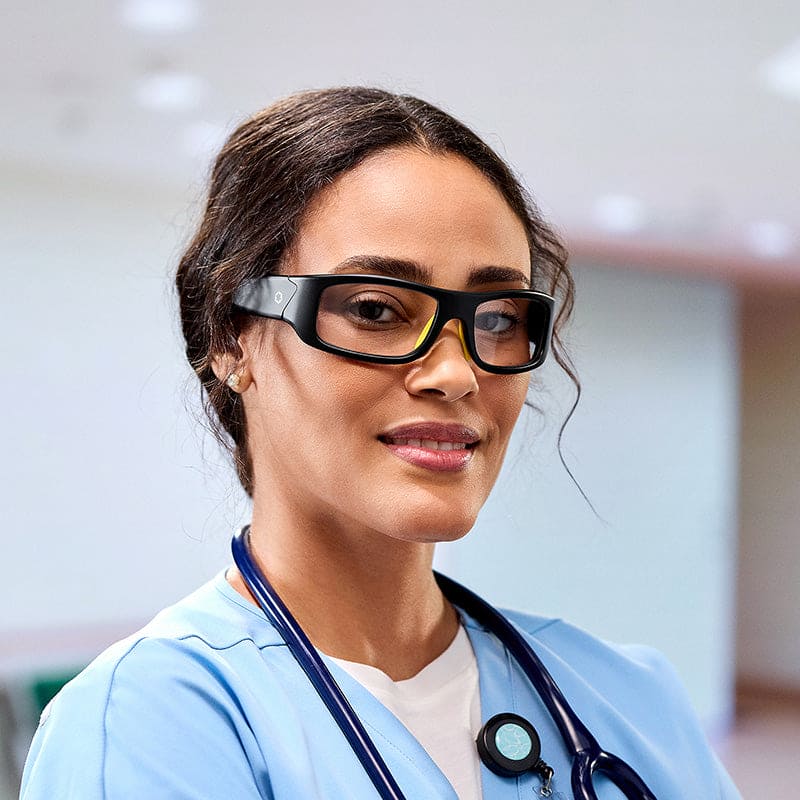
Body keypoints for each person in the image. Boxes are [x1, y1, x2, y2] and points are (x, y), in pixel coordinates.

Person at [20, 86, 740, 799]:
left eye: (495, 319)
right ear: (230, 338)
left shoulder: (626, 697)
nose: (458, 372)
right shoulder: (148, 727)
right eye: (375, 308)